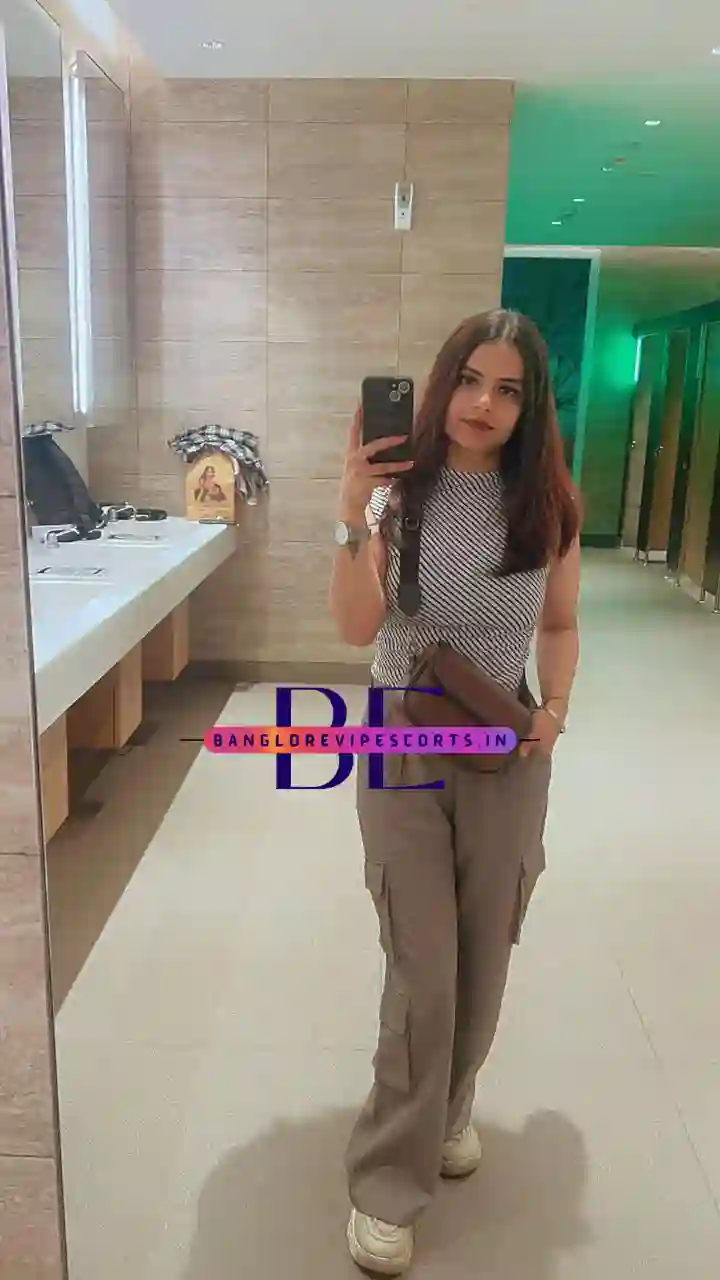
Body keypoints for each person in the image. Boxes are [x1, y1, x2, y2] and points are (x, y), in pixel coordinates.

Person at [328, 309, 582, 1276]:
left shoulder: (548, 504)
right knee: (424, 971)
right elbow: (357, 628)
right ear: (442, 385)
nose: (483, 403)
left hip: (505, 748)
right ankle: (388, 1181)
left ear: (531, 406)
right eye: (470, 380)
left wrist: (554, 708)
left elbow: (558, 624)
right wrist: (351, 511)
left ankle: (450, 1106)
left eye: (508, 389)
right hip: (404, 740)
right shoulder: (398, 496)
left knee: (484, 959)